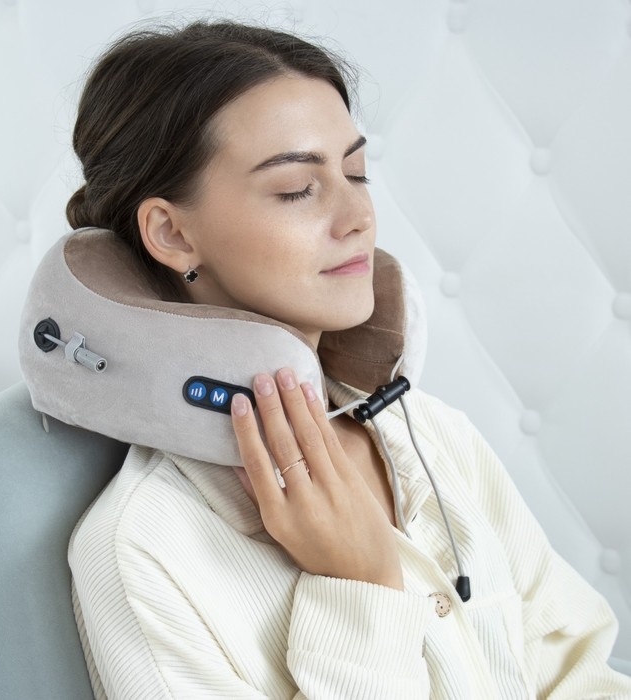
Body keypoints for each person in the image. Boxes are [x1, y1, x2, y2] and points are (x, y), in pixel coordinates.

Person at [62, 19, 631, 699]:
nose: (358, 215)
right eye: (297, 189)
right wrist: (361, 587)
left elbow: (580, 672)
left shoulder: (434, 436)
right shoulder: (141, 550)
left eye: (356, 173)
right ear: (173, 233)